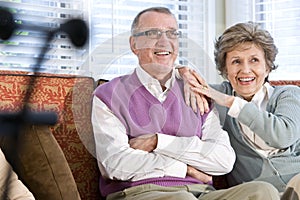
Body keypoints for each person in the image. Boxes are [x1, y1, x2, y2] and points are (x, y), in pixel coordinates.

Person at [91, 7, 280, 200]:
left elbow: (223, 160)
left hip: (201, 193)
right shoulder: (108, 95)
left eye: (172, 34)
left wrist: (159, 142)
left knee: (262, 192)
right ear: (134, 44)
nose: (164, 41)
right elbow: (115, 164)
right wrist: (185, 168)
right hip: (140, 192)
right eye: (152, 33)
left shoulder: (196, 91)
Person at [184, 21, 300, 199]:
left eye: (254, 60)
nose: (245, 70)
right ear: (225, 69)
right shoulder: (216, 96)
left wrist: (232, 103)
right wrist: (182, 72)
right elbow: (169, 85)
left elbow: (282, 136)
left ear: (267, 66)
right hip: (256, 194)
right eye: (236, 61)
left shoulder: (288, 94)